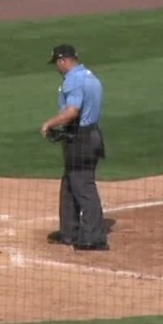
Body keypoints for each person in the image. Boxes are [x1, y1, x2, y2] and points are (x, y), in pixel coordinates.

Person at [40, 44, 108, 252]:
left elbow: (72, 111)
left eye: (56, 64)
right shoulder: (89, 75)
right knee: (70, 182)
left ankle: (93, 236)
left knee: (83, 185)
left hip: (82, 139)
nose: (56, 68)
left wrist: (49, 123)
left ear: (63, 60)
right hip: (89, 135)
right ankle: (69, 231)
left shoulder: (74, 80)